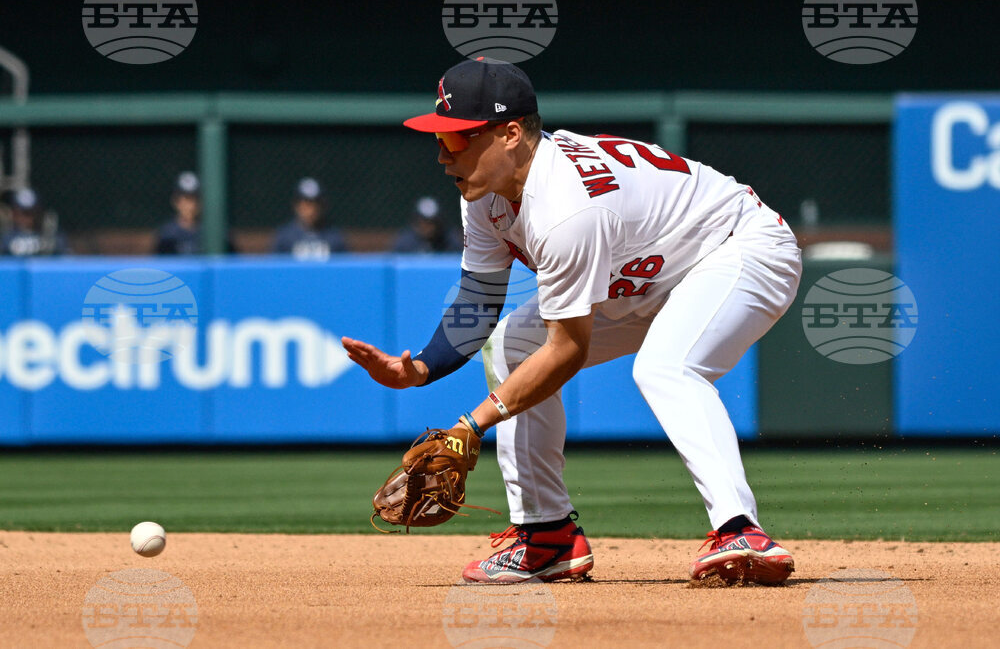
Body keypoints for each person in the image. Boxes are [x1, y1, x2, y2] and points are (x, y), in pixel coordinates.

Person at [341, 58, 802, 585]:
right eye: (439, 139)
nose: (444, 156)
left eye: (456, 138)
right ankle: (547, 537)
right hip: (643, 274)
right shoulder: (486, 190)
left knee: (666, 367)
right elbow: (480, 297)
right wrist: (421, 368)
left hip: (739, 249)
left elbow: (568, 350)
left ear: (510, 134)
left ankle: (741, 530)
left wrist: (471, 426)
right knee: (513, 342)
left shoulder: (565, 208)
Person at [153, 171, 236, 255]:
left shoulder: (216, 232)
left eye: (195, 199)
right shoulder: (167, 234)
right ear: (176, 201)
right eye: (186, 199)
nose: (191, 205)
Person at [272, 177, 348, 259]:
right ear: (296, 205)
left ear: (322, 206)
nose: (311, 210)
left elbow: (344, 263)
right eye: (306, 204)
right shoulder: (285, 237)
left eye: (315, 204)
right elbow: (274, 264)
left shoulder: (334, 236)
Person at [0, 187, 70, 256]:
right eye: (18, 213)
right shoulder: (6, 237)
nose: (23, 218)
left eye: (28, 213)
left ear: (38, 213)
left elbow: (64, 257)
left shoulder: (52, 237)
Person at [391, 196, 463, 253]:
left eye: (432, 222)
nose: (428, 227)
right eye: (424, 222)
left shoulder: (449, 240)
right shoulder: (405, 242)